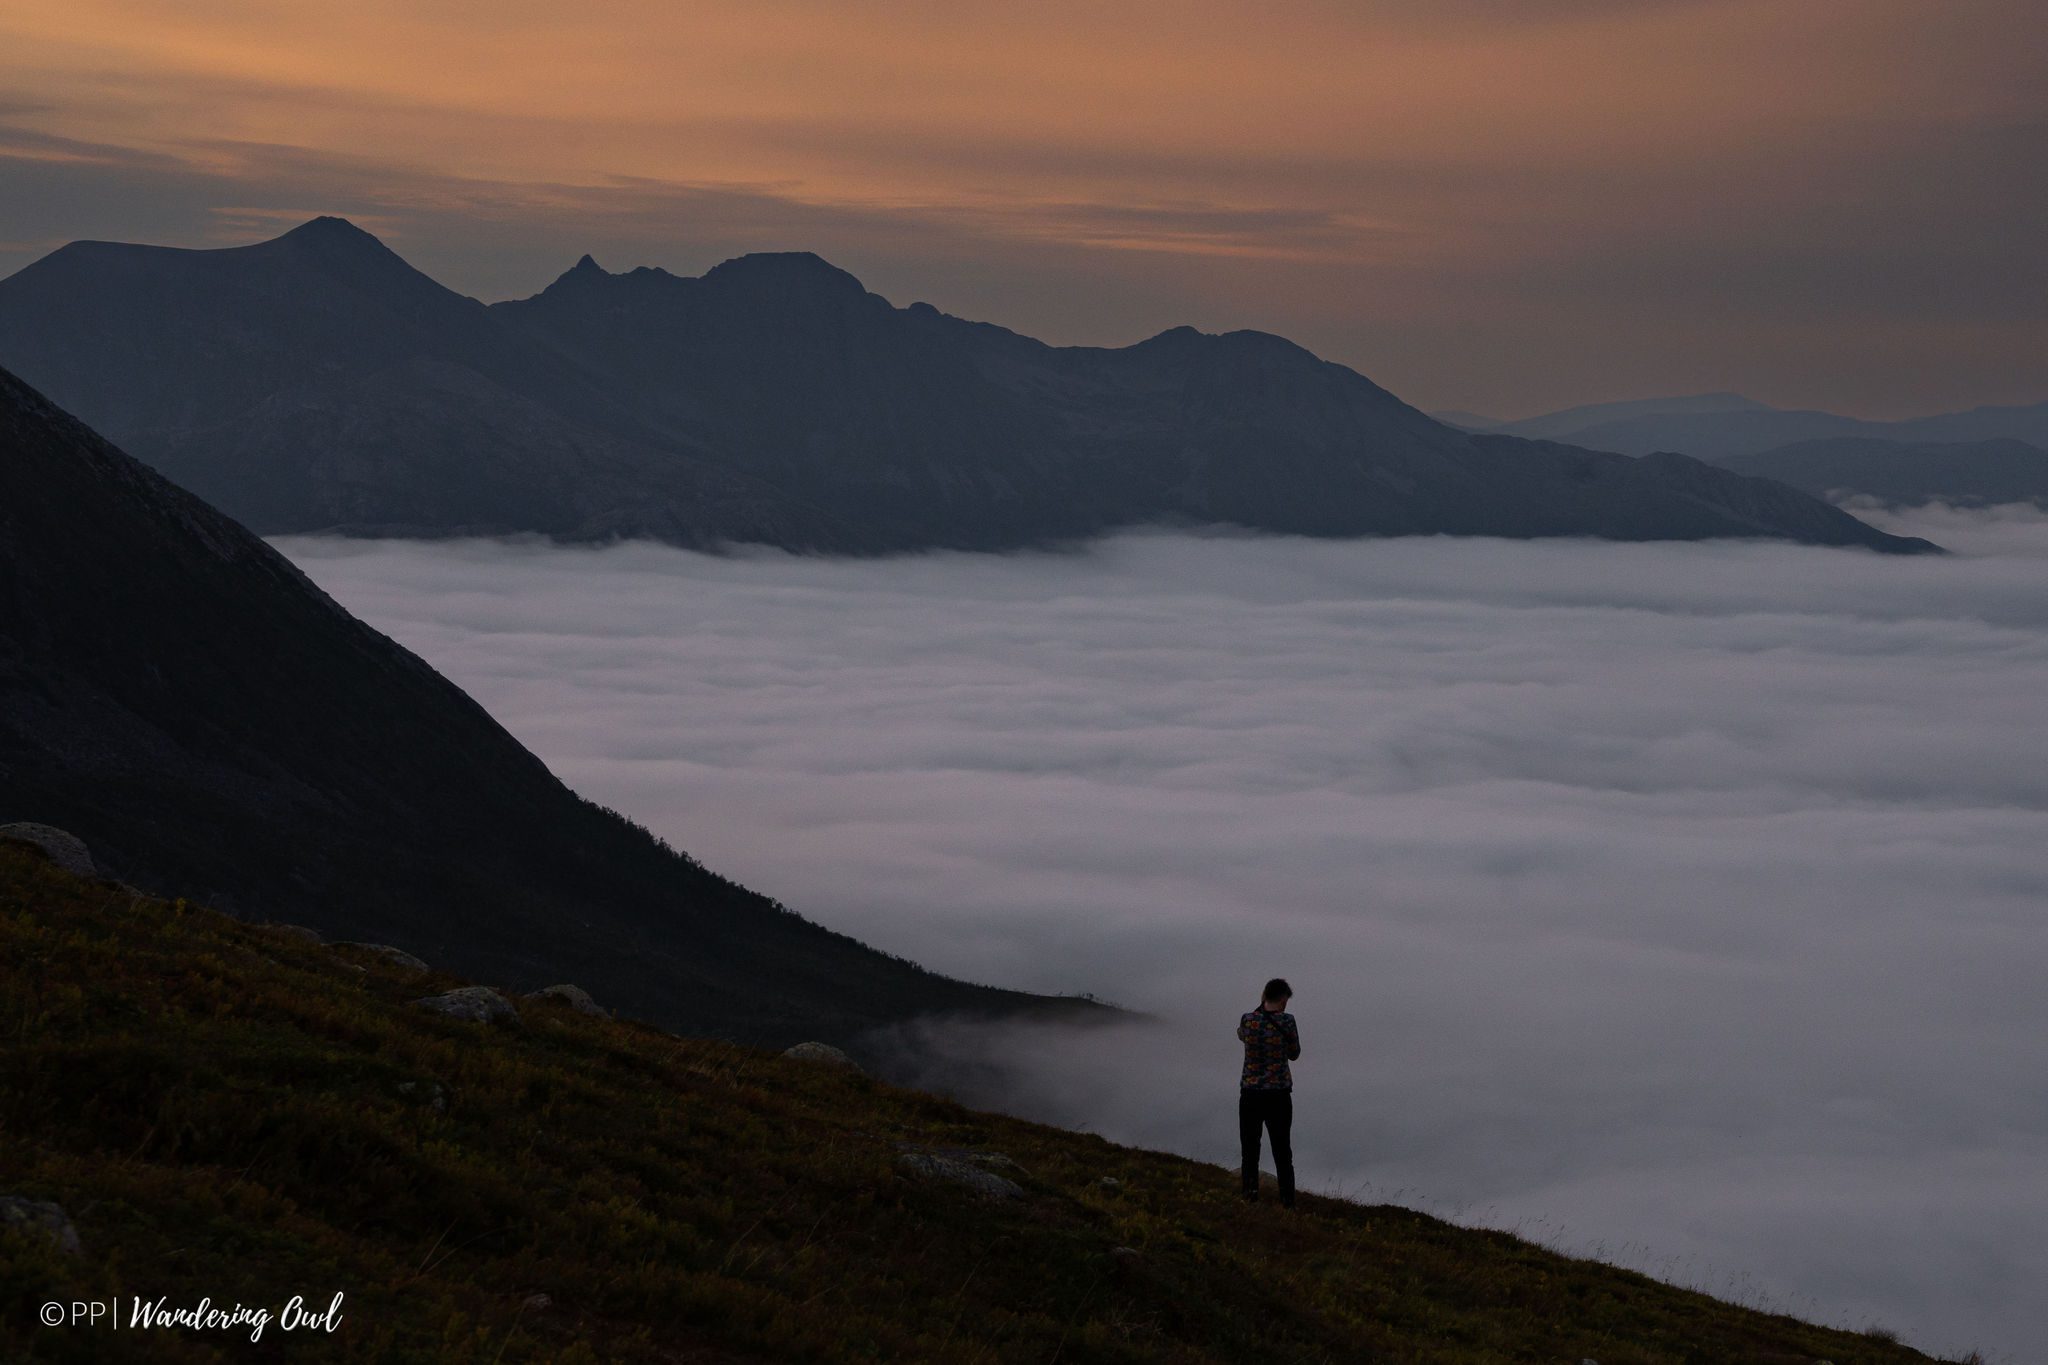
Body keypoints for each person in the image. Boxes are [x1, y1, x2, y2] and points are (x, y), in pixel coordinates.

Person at [1237, 976, 1300, 1206]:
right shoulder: (1287, 1022)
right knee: (1282, 1151)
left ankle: (1250, 1195)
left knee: (1250, 1148)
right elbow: (1294, 1053)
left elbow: (1241, 1034)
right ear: (1283, 999)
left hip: (1250, 1093)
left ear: (1264, 996)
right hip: (1278, 1095)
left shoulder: (1248, 1020)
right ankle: (1287, 1202)